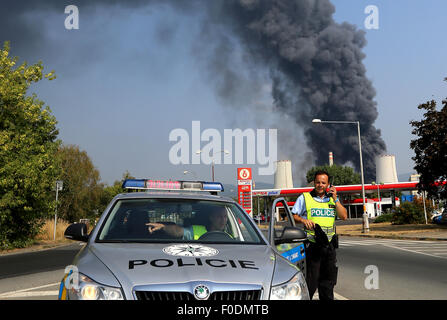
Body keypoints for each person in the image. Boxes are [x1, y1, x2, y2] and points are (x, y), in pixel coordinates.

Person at [291, 170, 347, 300]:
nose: (320, 185)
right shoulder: (304, 197)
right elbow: (294, 216)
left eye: (323, 183)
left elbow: (344, 216)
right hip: (313, 247)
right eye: (318, 182)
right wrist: (303, 220)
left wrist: (336, 199)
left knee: (328, 284)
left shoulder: (333, 200)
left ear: (328, 184)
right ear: (314, 183)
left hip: (329, 248)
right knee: (310, 283)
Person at [145, 206, 229, 240]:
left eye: (225, 217)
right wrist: (163, 226)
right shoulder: (195, 230)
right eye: (219, 216)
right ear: (211, 218)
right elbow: (178, 231)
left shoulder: (229, 238)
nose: (223, 220)